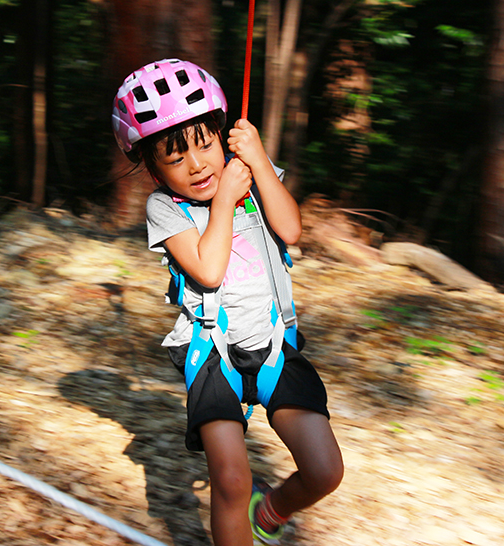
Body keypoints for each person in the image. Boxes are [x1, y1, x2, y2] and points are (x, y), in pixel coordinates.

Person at [111, 58, 343, 546]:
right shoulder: (164, 209)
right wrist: (222, 204)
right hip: (213, 355)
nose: (196, 166)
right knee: (232, 481)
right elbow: (208, 270)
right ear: (152, 169)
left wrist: (258, 161)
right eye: (174, 159)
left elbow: (291, 230)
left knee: (324, 471)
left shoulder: (250, 178)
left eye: (205, 146)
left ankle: (270, 512)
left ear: (222, 137)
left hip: (276, 344)